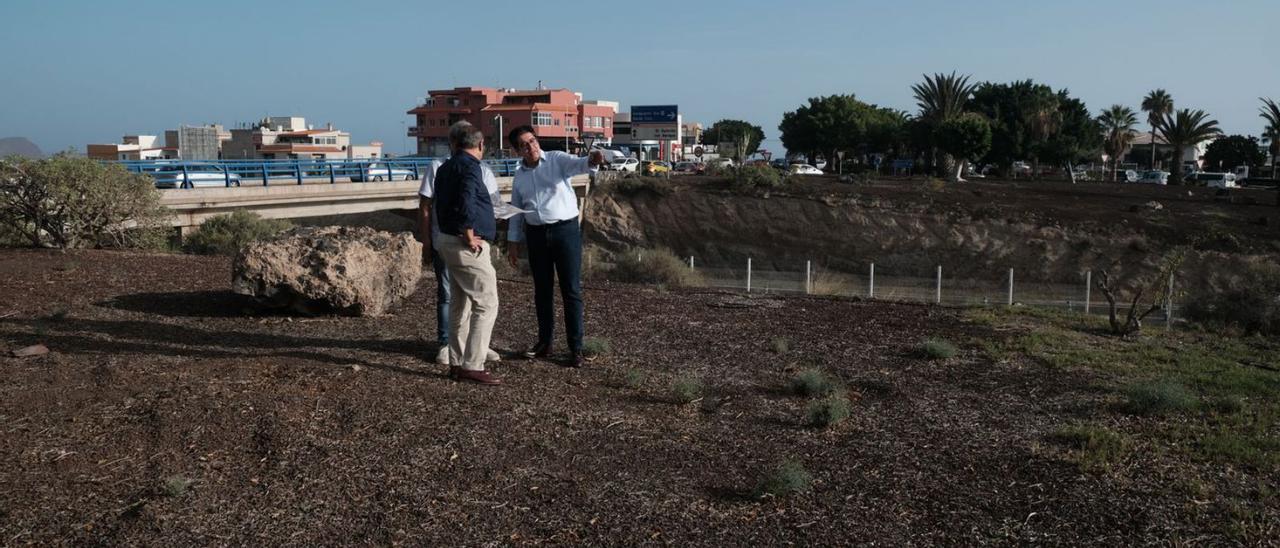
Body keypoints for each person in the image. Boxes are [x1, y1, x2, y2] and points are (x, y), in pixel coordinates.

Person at [505, 125, 607, 368]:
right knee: (542, 291)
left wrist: (592, 159)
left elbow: (581, 163)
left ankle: (576, 348)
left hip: (565, 231)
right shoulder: (519, 176)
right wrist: (513, 242)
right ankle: (545, 342)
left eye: (532, 141)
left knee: (571, 290)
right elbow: (516, 211)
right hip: (536, 235)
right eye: (524, 145)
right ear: (517, 151)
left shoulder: (557, 160)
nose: (531, 147)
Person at [418, 148, 502, 367]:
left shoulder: (482, 169)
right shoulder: (440, 166)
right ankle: (456, 351)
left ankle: (467, 351)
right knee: (463, 298)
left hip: (468, 241)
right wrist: (427, 241)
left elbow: (491, 203)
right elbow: (428, 206)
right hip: (456, 240)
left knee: (463, 299)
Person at [433, 122, 501, 385]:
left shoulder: (445, 167)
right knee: (486, 302)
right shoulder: (472, 168)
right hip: (465, 244)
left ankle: (457, 361)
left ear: (455, 143)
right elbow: (466, 199)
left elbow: (443, 203)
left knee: (460, 304)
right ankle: (473, 364)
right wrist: (469, 232)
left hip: (447, 240)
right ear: (481, 144)